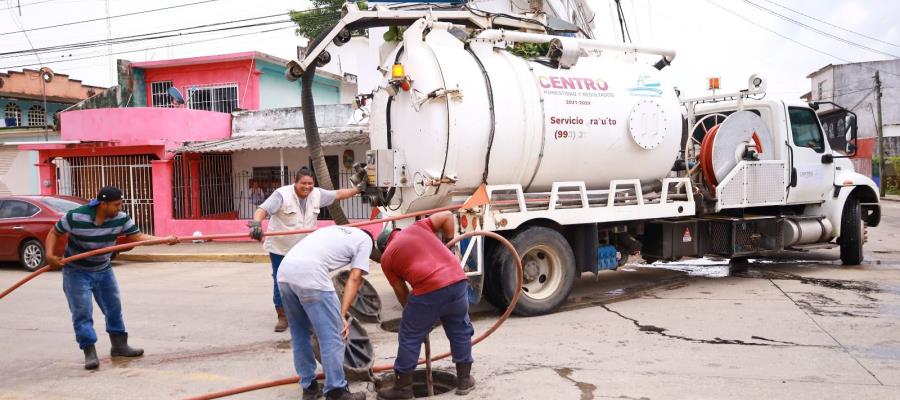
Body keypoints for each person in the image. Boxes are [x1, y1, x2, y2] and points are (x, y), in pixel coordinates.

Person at [45, 186, 179, 370]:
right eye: (116, 204)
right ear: (103, 204)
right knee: (82, 313)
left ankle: (119, 345)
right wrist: (49, 255)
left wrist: (164, 239)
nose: (119, 208)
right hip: (76, 271)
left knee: (113, 309)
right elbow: (54, 232)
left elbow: (138, 237)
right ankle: (89, 351)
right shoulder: (75, 216)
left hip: (103, 269)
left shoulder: (121, 218)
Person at [249, 166, 365, 332]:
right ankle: (282, 315)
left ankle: (304, 311)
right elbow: (263, 209)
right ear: (295, 183)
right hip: (280, 247)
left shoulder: (317, 194)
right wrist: (256, 223)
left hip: (305, 249)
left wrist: (358, 190)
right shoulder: (282, 194)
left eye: (310, 183)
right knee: (280, 280)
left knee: (306, 279)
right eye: (303, 183)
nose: (307, 187)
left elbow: (338, 194)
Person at [375, 211, 476, 400]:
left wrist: (416, 319)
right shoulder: (418, 227)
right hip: (458, 280)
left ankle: (403, 389)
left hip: (429, 288)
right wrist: (449, 245)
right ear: (396, 232)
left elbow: (402, 292)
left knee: (409, 336)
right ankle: (464, 380)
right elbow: (447, 215)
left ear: (383, 246)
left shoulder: (387, 257)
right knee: (460, 329)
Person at [277, 225, 373, 400]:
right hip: (311, 275)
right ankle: (337, 391)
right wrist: (341, 315)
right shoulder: (366, 240)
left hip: (284, 273)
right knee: (332, 336)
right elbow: (355, 277)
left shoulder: (335, 230)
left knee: (300, 334)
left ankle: (309, 388)